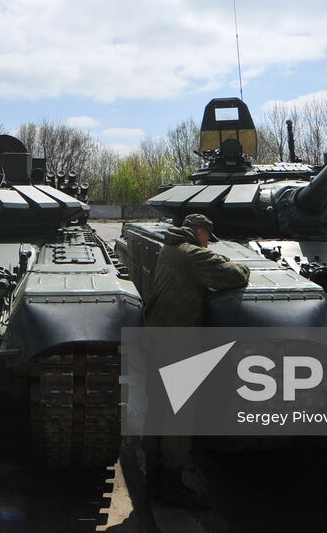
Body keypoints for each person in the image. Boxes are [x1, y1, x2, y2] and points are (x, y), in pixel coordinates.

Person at [142, 213, 250, 508]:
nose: (207, 243)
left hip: (156, 338)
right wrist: (240, 265)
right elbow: (234, 274)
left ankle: (151, 477)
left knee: (157, 408)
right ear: (199, 232)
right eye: (207, 238)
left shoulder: (169, 249)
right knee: (180, 416)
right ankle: (172, 485)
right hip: (178, 343)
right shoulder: (192, 255)